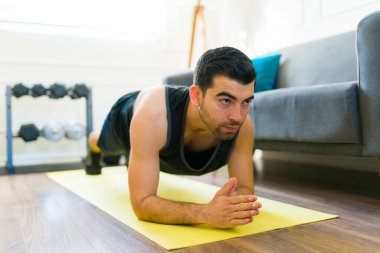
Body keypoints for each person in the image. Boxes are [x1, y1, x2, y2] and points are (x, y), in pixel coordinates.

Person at [86, 46, 262, 228]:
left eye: (246, 102)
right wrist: (206, 213)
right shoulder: (153, 115)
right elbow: (142, 204)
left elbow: (244, 191)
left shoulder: (243, 125)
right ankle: (93, 145)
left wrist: (229, 207)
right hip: (127, 121)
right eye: (225, 100)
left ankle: (138, 156)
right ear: (196, 96)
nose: (237, 116)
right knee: (103, 144)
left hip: (153, 138)